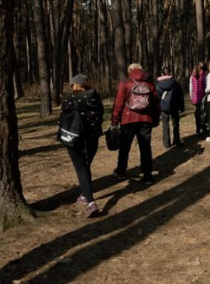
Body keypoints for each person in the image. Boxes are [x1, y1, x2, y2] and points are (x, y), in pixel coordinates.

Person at [60, 74, 104, 218]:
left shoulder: (70, 99)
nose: (72, 87)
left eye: (73, 85)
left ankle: (91, 203)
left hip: (74, 138)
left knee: (81, 168)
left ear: (78, 85)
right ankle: (85, 195)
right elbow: (101, 115)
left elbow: (63, 117)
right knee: (85, 166)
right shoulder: (96, 98)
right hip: (92, 138)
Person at [112, 63, 159, 183]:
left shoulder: (125, 83)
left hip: (128, 119)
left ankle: (121, 172)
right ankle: (148, 176)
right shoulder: (149, 84)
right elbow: (155, 104)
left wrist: (115, 120)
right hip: (145, 119)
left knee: (124, 148)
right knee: (145, 148)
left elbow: (119, 103)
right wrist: (155, 119)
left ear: (130, 71)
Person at [156, 66, 184, 148]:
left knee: (165, 124)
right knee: (175, 123)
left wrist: (157, 108)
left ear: (162, 74)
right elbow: (180, 96)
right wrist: (181, 107)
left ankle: (166, 143)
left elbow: (157, 97)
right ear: (170, 73)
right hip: (174, 106)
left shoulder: (158, 85)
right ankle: (177, 140)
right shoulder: (175, 83)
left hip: (163, 107)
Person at [189, 62, 208, 136]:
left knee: (197, 112)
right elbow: (206, 87)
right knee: (203, 113)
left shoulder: (192, 77)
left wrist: (191, 97)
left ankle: (198, 128)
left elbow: (190, 88)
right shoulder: (204, 76)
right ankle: (203, 127)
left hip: (195, 98)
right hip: (202, 97)